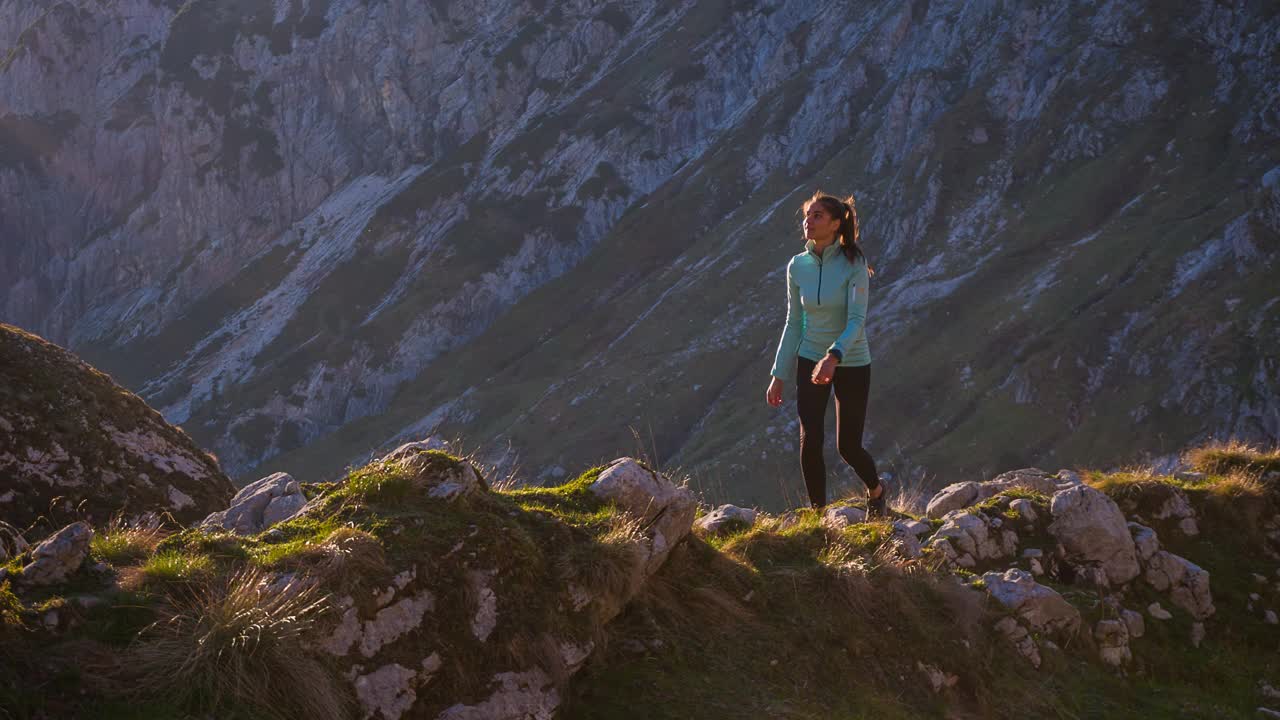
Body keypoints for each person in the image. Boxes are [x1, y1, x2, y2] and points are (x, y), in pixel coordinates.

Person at [765, 191, 884, 516]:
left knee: (848, 446)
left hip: (852, 361)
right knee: (810, 438)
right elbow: (794, 322)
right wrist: (778, 375)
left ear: (835, 223)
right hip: (809, 358)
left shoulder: (853, 263)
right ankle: (818, 517)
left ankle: (876, 491)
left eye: (817, 215)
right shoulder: (797, 266)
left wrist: (834, 356)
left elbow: (857, 320)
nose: (808, 221)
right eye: (807, 215)